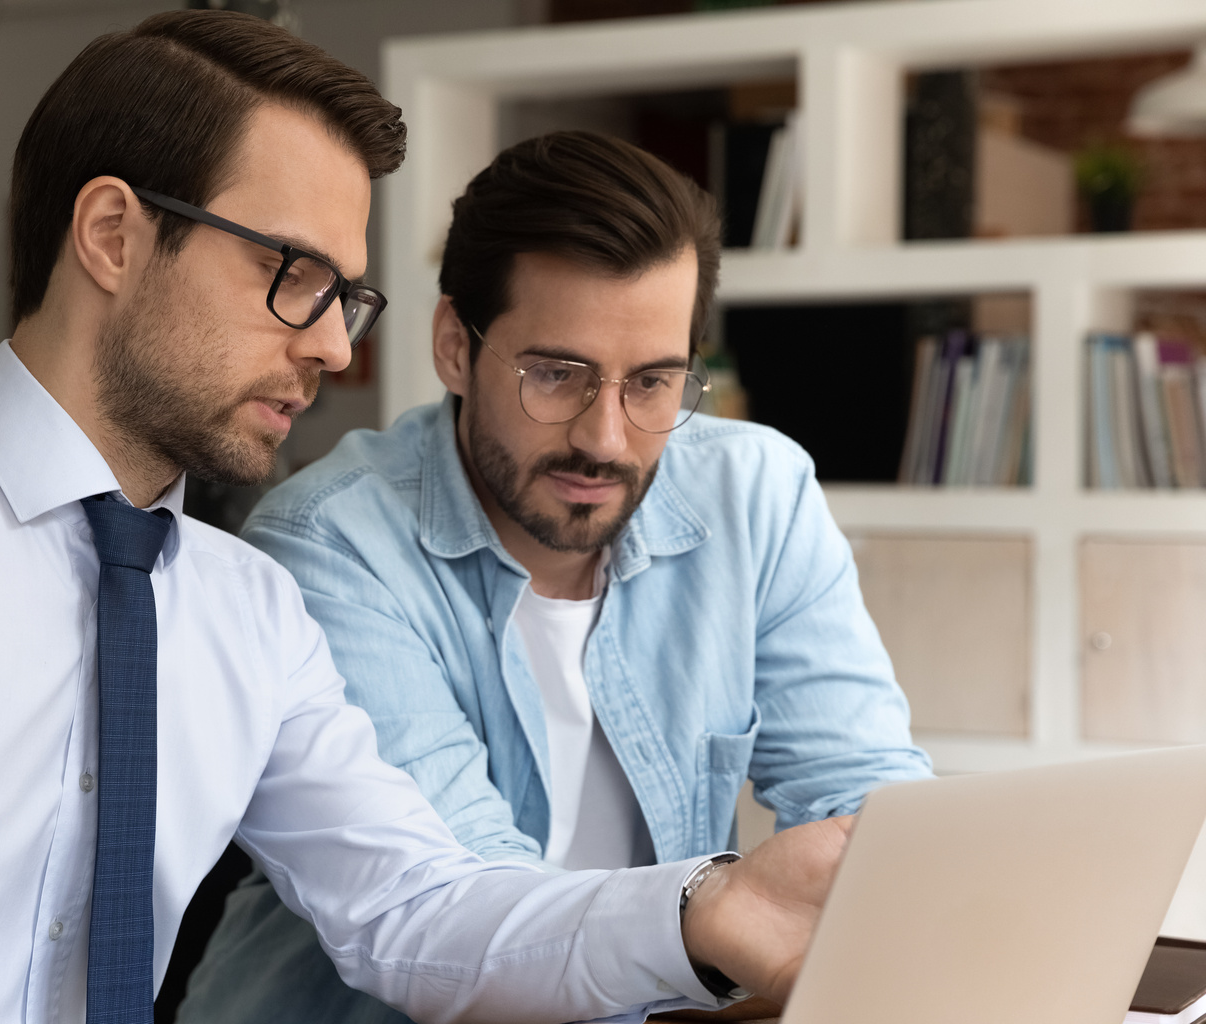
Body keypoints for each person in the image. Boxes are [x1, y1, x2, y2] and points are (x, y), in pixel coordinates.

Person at [0, 13, 849, 1024]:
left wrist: (706, 908)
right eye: (295, 274)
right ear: (115, 235)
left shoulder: (248, 614)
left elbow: (418, 910)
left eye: (348, 296)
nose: (335, 347)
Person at [181, 131, 934, 1024]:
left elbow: (866, 797)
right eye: (556, 374)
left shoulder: (755, 493)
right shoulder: (329, 546)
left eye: (652, 383)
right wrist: (720, 925)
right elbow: (463, 918)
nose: (605, 439)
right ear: (455, 346)